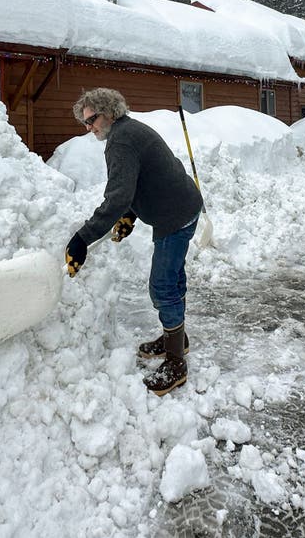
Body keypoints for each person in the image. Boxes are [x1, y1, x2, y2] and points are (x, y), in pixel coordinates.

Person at [65, 88, 204, 396]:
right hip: (183, 206)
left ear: (108, 112)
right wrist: (130, 215)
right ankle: (176, 338)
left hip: (174, 216)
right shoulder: (128, 131)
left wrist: (82, 238)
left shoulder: (121, 141)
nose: (89, 128)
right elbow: (138, 183)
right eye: (84, 123)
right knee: (173, 279)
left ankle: (176, 362)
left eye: (92, 120)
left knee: (162, 286)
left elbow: (117, 196)